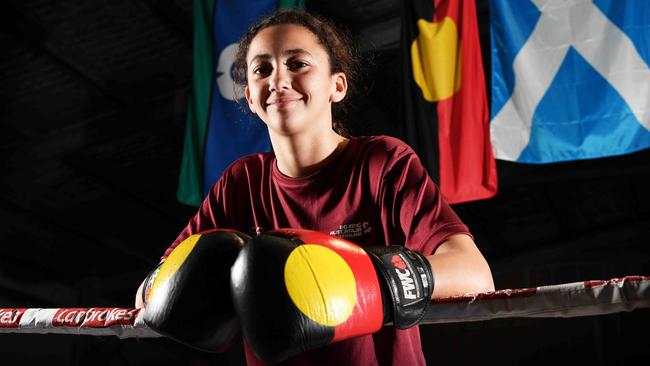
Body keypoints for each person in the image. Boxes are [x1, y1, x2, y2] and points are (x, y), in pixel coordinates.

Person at [136, 9, 494, 366]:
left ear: (336, 86)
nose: (278, 80)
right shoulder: (241, 183)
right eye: (262, 69)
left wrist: (362, 284)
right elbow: (146, 296)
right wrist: (187, 289)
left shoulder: (381, 163)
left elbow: (474, 274)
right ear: (249, 97)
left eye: (297, 64)